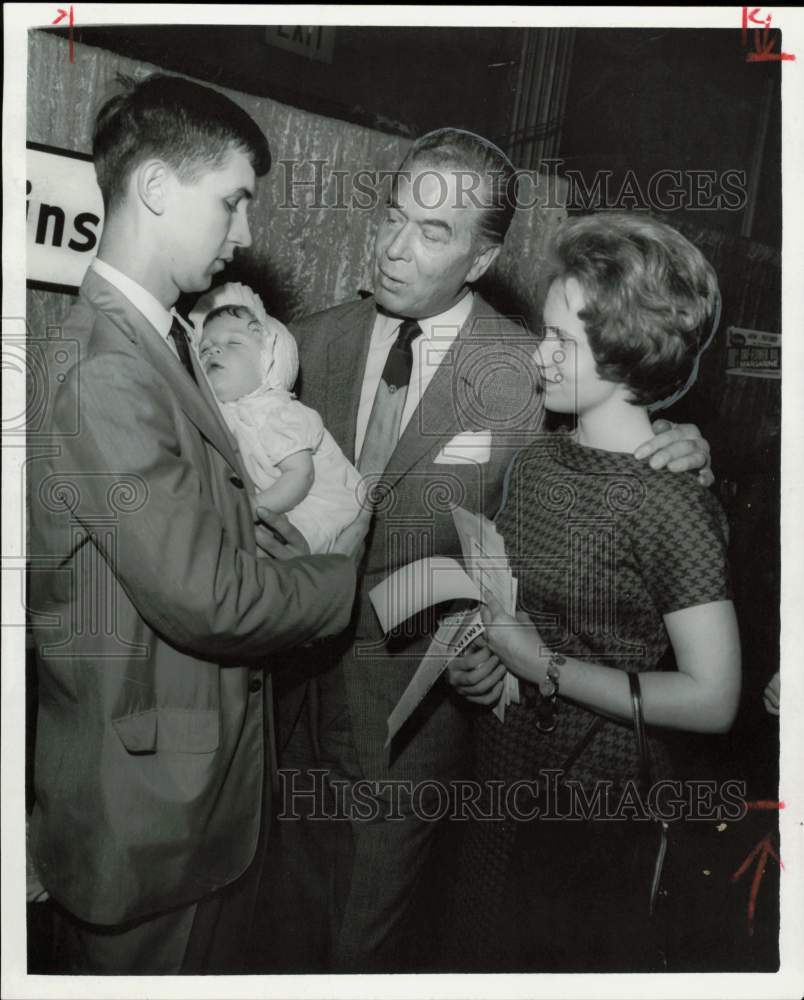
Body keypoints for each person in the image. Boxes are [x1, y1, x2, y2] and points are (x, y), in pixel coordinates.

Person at [260, 130, 715, 972]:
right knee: (280, 935)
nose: (395, 249)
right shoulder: (306, 342)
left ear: (481, 258)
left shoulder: (532, 367)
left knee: (362, 952)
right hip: (285, 707)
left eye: (433, 234)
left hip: (414, 725)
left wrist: (683, 444)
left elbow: (616, 448)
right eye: (393, 218)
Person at [27, 73, 361, 975]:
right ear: (157, 189)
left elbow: (213, 524)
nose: (247, 233)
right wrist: (343, 581)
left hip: (183, 806)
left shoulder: (161, 342)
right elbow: (206, 595)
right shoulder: (109, 370)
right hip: (143, 820)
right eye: (234, 201)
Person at [446, 212, 741, 971]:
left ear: (627, 352)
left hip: (595, 804)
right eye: (544, 332)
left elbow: (714, 699)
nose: (538, 357)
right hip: (502, 772)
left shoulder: (670, 499)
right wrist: (482, 662)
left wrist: (546, 667)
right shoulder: (538, 464)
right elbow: (508, 613)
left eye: (561, 341)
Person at [191, 283, 363, 554]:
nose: (214, 351)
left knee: (271, 551)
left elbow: (300, 475)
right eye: (206, 349)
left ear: (269, 357)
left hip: (324, 505)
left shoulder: (277, 412)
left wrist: (251, 508)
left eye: (232, 343)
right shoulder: (226, 414)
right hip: (280, 502)